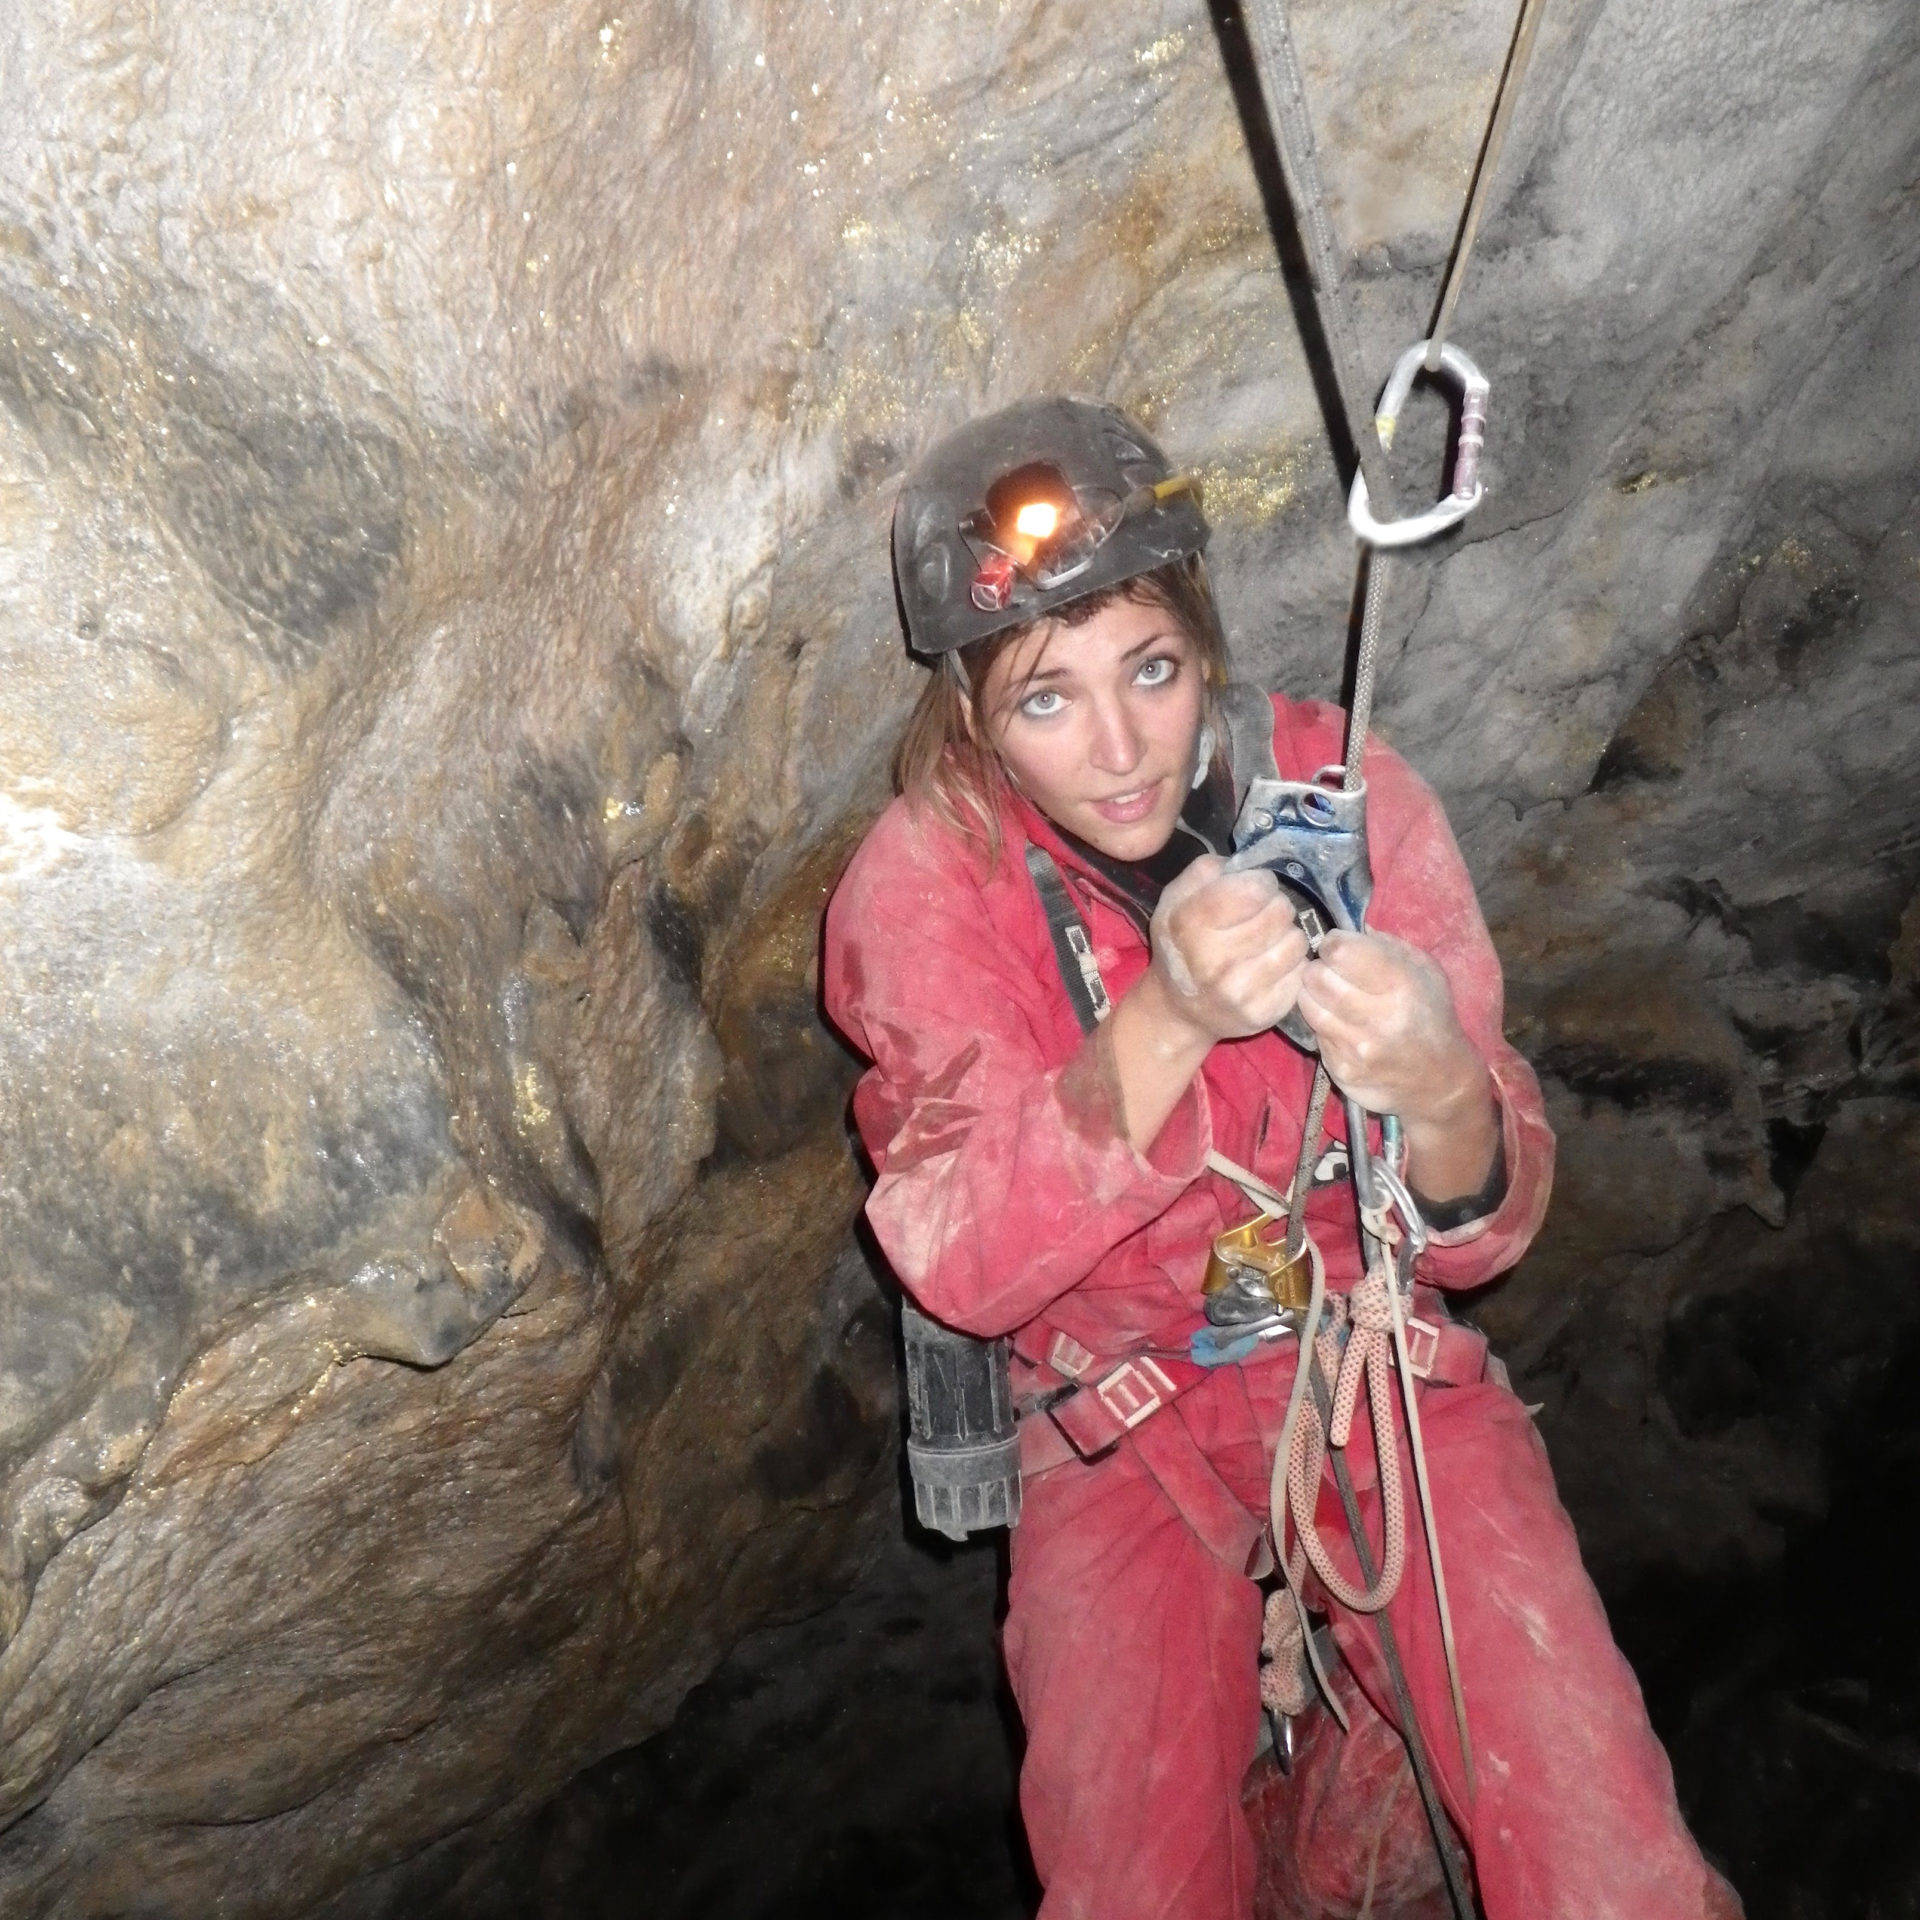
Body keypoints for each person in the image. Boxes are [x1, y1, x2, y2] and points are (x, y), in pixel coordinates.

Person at [822, 397, 1739, 1920]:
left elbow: (1478, 1236)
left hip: (1372, 1377)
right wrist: (1168, 1021)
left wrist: (1441, 1081)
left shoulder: (1335, 788)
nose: (1118, 747)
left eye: (1154, 671)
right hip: (1123, 1442)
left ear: (1205, 652)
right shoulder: (930, 883)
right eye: (1047, 698)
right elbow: (961, 1260)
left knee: (1611, 1868)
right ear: (974, 712)